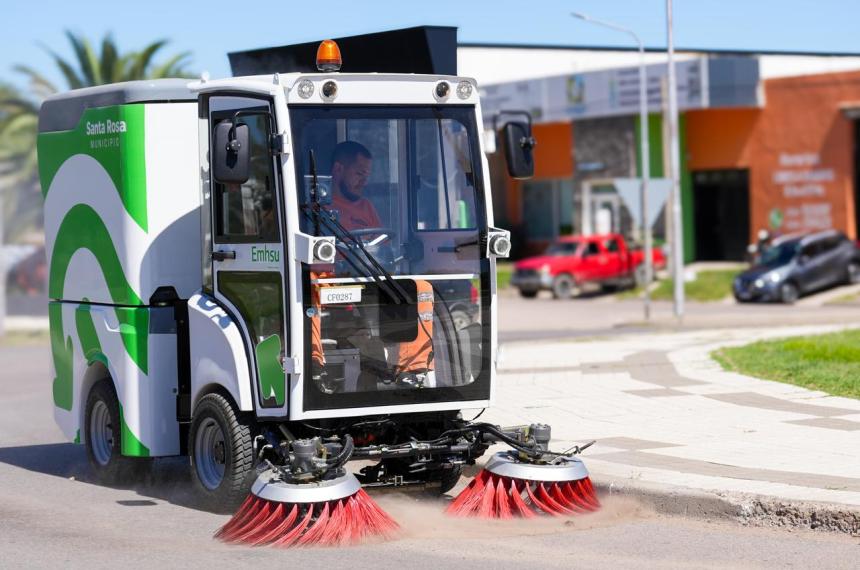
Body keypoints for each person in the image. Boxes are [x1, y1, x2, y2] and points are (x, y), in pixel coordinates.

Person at [310, 141, 434, 392]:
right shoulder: (317, 206)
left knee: (420, 287)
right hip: (331, 281)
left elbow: (381, 244)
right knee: (309, 282)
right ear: (338, 169)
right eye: (358, 173)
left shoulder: (366, 207)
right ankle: (314, 363)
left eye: (367, 175)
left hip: (367, 280)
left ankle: (412, 368)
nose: (363, 180)